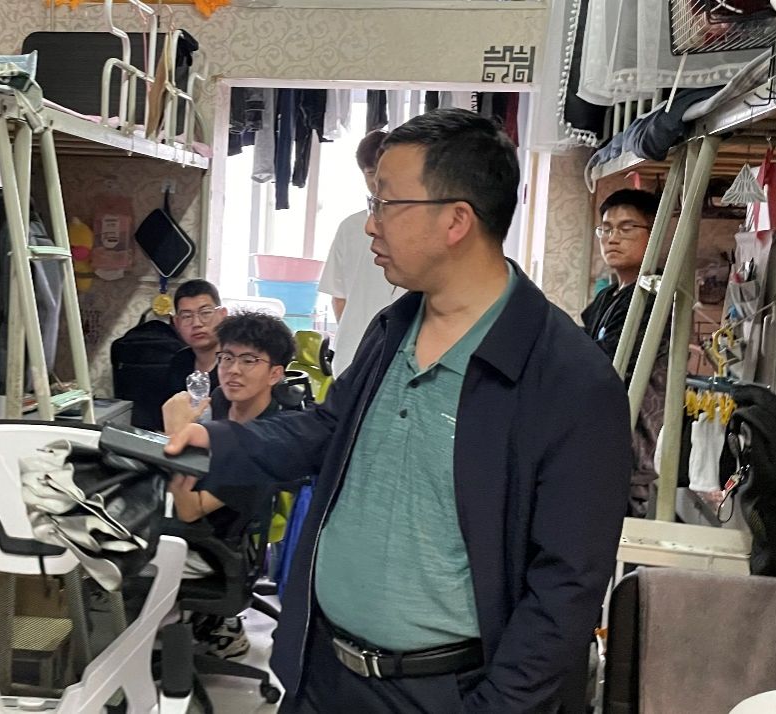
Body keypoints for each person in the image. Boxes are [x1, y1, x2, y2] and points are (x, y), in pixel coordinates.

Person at [165, 108, 632, 712]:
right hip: (324, 674)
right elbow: (328, 431)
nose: (371, 224)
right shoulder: (394, 327)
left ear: (456, 220)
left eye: (385, 203)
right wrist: (219, 443)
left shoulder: (569, 379)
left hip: (444, 693)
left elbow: (567, 585)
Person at [160, 311, 297, 660]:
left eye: (249, 360)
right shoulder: (219, 401)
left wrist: (176, 436)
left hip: (215, 548)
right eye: (227, 358)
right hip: (195, 526)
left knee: (106, 556)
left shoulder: (267, 440)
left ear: (275, 373)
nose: (233, 370)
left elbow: (190, 510)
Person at [581, 189, 669, 518]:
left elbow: (600, 364)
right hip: (596, 444)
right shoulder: (609, 296)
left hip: (628, 452)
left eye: (627, 228)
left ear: (654, 233)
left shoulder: (653, 296)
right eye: (606, 228)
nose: (613, 238)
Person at [318, 130, 399, 376]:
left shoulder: (413, 225)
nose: (376, 181)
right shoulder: (350, 227)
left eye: (382, 171)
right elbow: (339, 297)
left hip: (397, 354)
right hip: (352, 352)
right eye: (370, 173)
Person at [165, 279, 227, 402]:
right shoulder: (180, 361)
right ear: (177, 323)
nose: (196, 323)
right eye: (187, 316)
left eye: (205, 313)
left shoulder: (235, 364)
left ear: (222, 315)